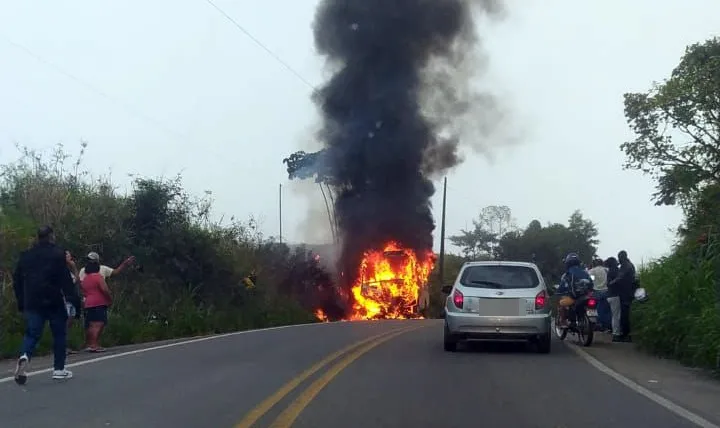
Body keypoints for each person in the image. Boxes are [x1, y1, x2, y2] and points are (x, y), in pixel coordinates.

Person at [12, 226, 81, 385]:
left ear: (38, 237)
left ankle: (25, 355)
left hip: (32, 300)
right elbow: (65, 279)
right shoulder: (58, 253)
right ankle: (58, 369)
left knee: (32, 333)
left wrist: (21, 301)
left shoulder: (26, 255)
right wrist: (73, 300)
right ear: (51, 236)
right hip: (53, 300)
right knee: (59, 334)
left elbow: (17, 280)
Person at [80, 259, 112, 352]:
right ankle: (94, 344)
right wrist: (109, 298)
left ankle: (91, 343)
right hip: (99, 302)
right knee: (99, 323)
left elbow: (84, 291)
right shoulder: (98, 277)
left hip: (89, 303)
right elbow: (104, 289)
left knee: (91, 324)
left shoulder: (85, 279)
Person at [556, 252, 594, 327]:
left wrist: (557, 292)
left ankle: (564, 321)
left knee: (561, 303)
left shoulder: (567, 274)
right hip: (586, 296)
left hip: (574, 297)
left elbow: (561, 287)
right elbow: (591, 283)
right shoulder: (585, 273)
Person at [609, 250, 636, 342]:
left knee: (624, 315)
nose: (618, 260)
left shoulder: (625, 266)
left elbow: (620, 277)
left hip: (626, 293)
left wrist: (611, 283)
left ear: (622, 257)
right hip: (628, 292)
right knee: (625, 314)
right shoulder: (629, 264)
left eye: (619, 258)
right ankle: (626, 334)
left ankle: (625, 335)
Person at [588, 258, 610, 331]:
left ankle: (597, 324)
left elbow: (590, 280)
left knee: (595, 309)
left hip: (596, 292)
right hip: (607, 292)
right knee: (606, 310)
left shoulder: (592, 271)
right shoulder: (606, 270)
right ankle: (607, 325)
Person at [605, 256, 623, 341]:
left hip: (610, 295)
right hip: (615, 296)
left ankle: (615, 332)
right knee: (616, 316)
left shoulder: (609, 271)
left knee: (614, 315)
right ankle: (616, 334)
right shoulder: (615, 271)